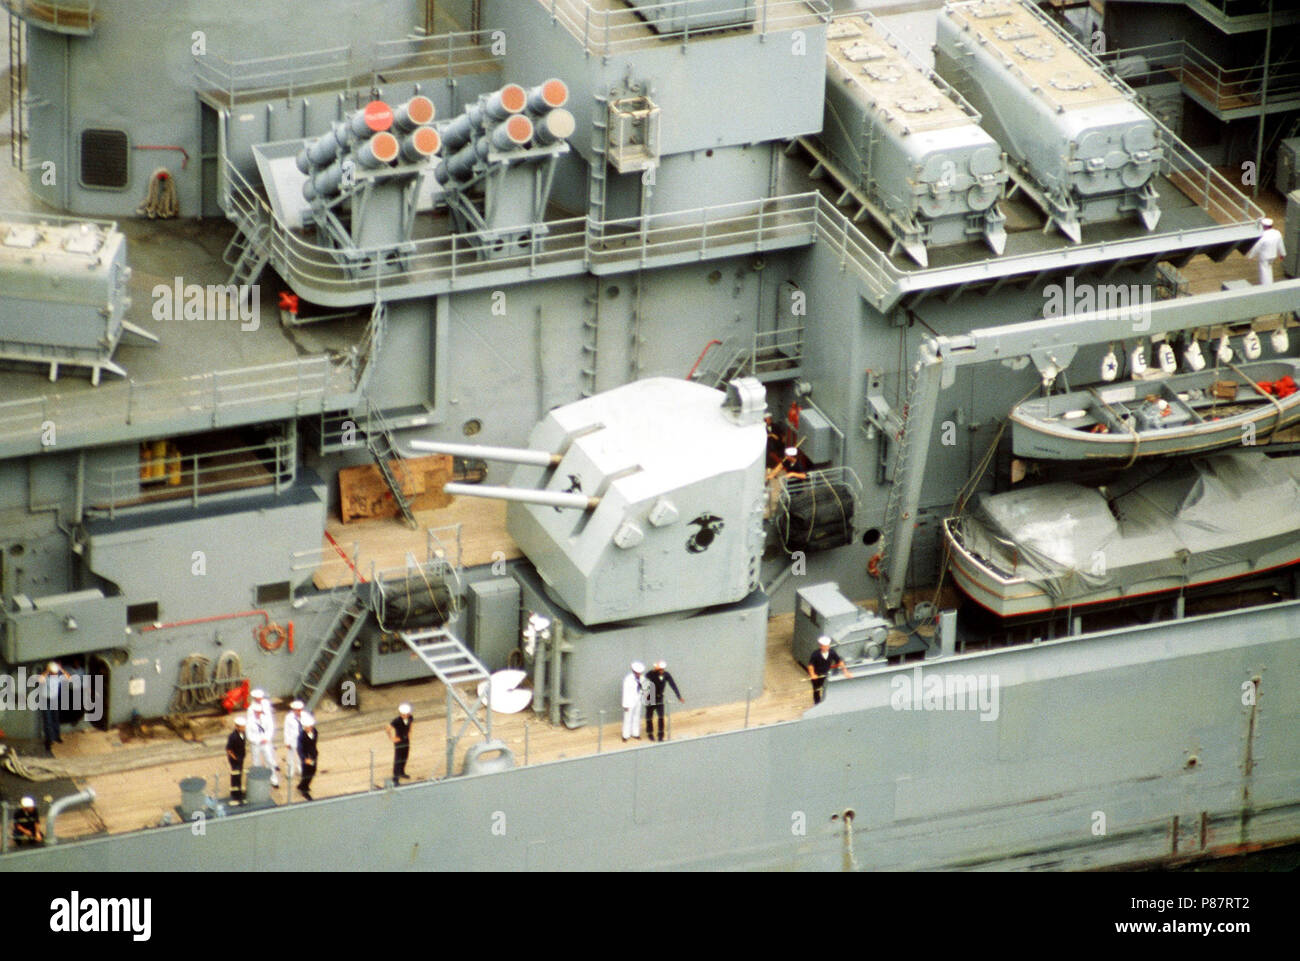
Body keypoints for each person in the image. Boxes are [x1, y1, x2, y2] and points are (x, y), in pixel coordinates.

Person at [643, 660, 684, 742]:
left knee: (661, 717)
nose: (661, 671)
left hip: (659, 697)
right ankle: (650, 733)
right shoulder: (652, 674)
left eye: (662, 669)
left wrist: (679, 696)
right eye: (660, 669)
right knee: (649, 717)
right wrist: (653, 670)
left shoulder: (666, 675)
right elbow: (646, 676)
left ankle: (660, 735)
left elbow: (673, 685)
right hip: (650, 697)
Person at [246, 689, 278, 787]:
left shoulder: (266, 707)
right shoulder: (250, 712)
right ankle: (259, 780)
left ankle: (273, 779)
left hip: (266, 741)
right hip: (256, 743)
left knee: (269, 759)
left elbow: (271, 727)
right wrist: (256, 741)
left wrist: (267, 738)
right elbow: (248, 733)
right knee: (256, 761)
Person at [807, 636, 852, 705]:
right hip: (817, 674)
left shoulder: (832, 652)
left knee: (828, 688)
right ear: (821, 646)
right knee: (817, 690)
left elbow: (839, 662)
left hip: (827, 673)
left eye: (827, 646)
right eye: (824, 646)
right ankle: (817, 704)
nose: (826, 648)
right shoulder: (815, 654)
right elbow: (811, 665)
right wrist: (812, 674)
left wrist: (845, 672)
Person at [38, 661, 71, 754]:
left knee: (56, 719)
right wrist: (47, 671)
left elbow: (69, 678)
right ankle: (49, 740)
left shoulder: (59, 677)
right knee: (48, 721)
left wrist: (61, 669)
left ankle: (57, 736)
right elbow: (40, 680)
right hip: (46, 700)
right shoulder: (45, 677)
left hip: (54, 700)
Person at [1248, 217, 1286, 286]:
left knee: (1264, 271)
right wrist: (1282, 254)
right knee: (1269, 268)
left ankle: (1266, 286)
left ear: (1264, 226)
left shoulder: (1263, 235)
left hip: (1264, 257)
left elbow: (1256, 247)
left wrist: (1251, 256)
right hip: (1273, 255)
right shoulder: (1277, 233)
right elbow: (1280, 244)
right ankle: (1270, 283)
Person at [621, 662, 647, 742]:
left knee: (637, 717)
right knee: (627, 718)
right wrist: (625, 704)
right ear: (634, 671)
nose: (638, 674)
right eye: (637, 673)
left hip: (638, 700)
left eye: (640, 673)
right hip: (629, 701)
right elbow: (625, 692)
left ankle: (635, 733)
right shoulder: (628, 679)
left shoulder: (642, 679)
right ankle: (625, 735)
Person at [387, 703, 413, 782]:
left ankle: (402, 772)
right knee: (398, 758)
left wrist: (410, 733)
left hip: (406, 739)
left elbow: (410, 725)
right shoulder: (397, 720)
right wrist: (392, 738)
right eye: (403, 714)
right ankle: (395, 777)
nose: (405, 716)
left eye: (406, 714)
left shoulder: (410, 718)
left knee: (405, 756)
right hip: (399, 740)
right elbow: (388, 728)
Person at [297, 712, 318, 800]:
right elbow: (300, 749)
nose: (309, 728)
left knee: (312, 771)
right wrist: (304, 758)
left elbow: (313, 743)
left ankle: (303, 785)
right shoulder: (301, 736)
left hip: (313, 755)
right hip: (306, 757)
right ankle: (303, 788)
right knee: (306, 773)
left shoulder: (315, 732)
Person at [226, 716, 247, 804]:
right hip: (235, 759)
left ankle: (238, 791)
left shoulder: (243, 734)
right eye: (242, 726)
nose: (243, 728)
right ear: (237, 727)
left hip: (241, 757)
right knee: (236, 775)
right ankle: (236, 793)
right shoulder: (233, 736)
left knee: (239, 774)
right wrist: (235, 758)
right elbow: (229, 749)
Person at [283, 700, 305, 783]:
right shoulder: (289, 717)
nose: (298, 712)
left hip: (302, 740)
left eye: (300, 710)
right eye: (296, 710)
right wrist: (287, 742)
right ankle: (289, 773)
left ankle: (301, 770)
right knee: (290, 758)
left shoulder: (305, 716)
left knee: (301, 757)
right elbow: (286, 730)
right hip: (292, 740)